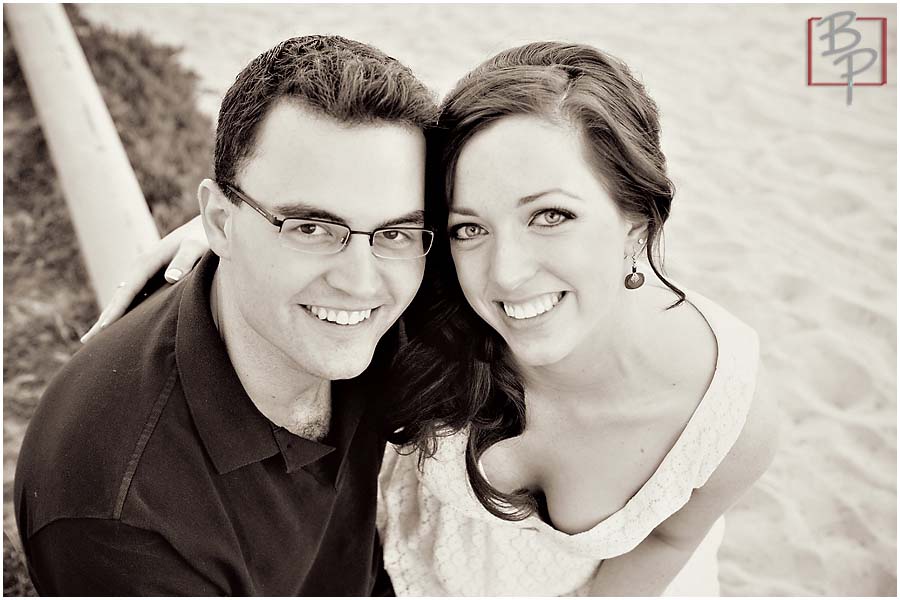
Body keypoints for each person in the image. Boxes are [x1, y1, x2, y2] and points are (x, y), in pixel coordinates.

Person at [80, 41, 779, 596]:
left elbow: (670, 540)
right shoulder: (431, 299)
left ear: (636, 218)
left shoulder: (727, 419)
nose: (506, 273)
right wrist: (227, 237)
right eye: (470, 227)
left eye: (552, 215)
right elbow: (348, 195)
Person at [14, 35, 437, 595]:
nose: (361, 282)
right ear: (219, 221)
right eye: (310, 227)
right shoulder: (118, 512)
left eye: (395, 230)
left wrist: (270, 233)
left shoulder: (402, 285)